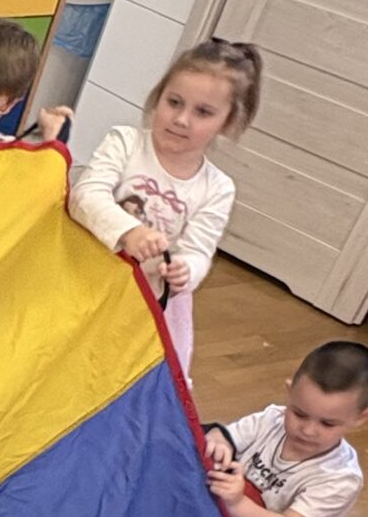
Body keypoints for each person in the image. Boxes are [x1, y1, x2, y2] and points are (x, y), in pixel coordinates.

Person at [68, 40, 261, 372]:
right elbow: (85, 195)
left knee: (108, 372)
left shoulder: (217, 188)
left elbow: (198, 250)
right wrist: (129, 231)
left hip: (140, 305)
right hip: (81, 280)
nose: (181, 119)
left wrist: (186, 270)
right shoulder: (125, 143)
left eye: (203, 112)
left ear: (228, 123)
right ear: (158, 97)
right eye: (174, 102)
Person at [203, 341, 368, 517]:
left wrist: (237, 503)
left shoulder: (340, 479)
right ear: (290, 391)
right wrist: (218, 440)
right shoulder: (271, 419)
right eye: (299, 414)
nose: (308, 430)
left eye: (327, 424)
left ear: (361, 418)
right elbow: (223, 436)